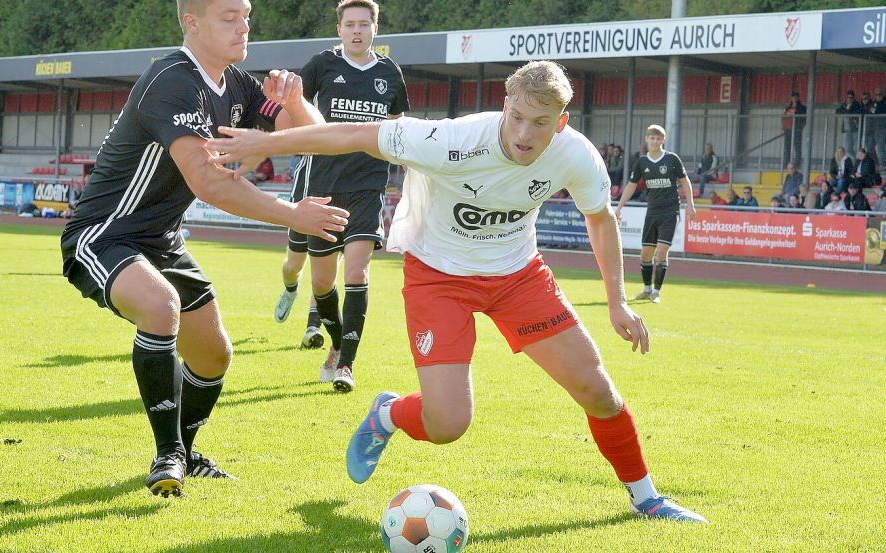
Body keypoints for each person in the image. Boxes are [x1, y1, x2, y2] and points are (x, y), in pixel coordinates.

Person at [205, 61, 709, 523]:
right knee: (447, 424)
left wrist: (617, 301)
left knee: (598, 392)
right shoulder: (450, 140)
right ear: (505, 106)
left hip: (518, 277)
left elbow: (599, 219)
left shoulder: (574, 154)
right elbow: (354, 134)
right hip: (438, 277)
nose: (524, 133)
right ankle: (388, 413)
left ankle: (647, 498)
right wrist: (263, 144)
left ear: (561, 121)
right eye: (517, 117)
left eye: (541, 123)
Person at [59, 0, 349, 498]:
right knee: (160, 305)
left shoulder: (234, 85)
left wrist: (295, 100)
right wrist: (292, 213)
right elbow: (209, 183)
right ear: (192, 23)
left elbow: (309, 139)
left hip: (161, 242)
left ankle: (187, 454)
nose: (244, 26)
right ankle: (167, 455)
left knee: (214, 356)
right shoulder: (171, 78)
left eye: (246, 15)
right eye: (229, 17)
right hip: (103, 233)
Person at [273, 0, 409, 392]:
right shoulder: (321, 66)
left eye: (363, 25)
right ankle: (334, 345)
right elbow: (293, 111)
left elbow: (397, 130)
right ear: (339, 29)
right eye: (349, 24)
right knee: (322, 283)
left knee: (356, 273)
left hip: (367, 186)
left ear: (375, 30)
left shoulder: (389, 73)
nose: (356, 31)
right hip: (322, 187)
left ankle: (346, 364)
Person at [614, 124, 696, 304]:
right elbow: (631, 185)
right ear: (647, 139)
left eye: (658, 138)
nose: (655, 141)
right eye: (652, 138)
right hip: (652, 212)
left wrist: (690, 204)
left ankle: (656, 292)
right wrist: (619, 207)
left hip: (670, 211)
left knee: (661, 251)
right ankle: (646, 289)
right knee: (645, 254)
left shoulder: (672, 159)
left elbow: (685, 180)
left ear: (663, 140)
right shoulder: (642, 162)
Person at [835, 90, 862, 158]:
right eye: (848, 97)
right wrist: (846, 109)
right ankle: (856, 159)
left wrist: (849, 107)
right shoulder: (844, 104)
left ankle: (858, 161)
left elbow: (854, 113)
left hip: (855, 129)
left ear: (853, 98)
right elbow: (837, 111)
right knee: (848, 148)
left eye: (851, 97)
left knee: (857, 147)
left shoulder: (856, 104)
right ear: (846, 98)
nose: (850, 99)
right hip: (848, 130)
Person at [782, 91, 806, 166]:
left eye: (795, 97)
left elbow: (804, 119)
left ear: (798, 98)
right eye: (793, 97)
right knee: (787, 147)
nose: (794, 98)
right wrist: (784, 127)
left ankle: (797, 163)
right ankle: (786, 163)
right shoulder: (788, 107)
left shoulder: (802, 108)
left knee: (797, 147)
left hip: (796, 129)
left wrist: (800, 127)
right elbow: (783, 117)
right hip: (788, 129)